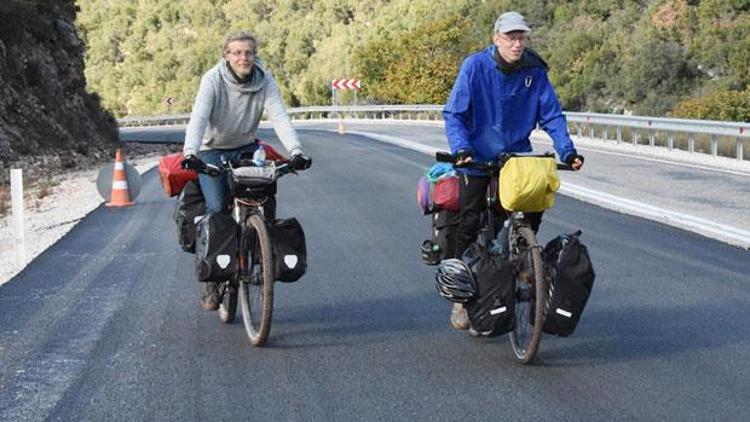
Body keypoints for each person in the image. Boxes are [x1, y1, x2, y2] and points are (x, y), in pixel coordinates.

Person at [443, 12, 584, 330]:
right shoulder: (475, 67)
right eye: (511, 38)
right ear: (496, 39)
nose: (517, 44)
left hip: (516, 156)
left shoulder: (534, 70)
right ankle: (461, 295)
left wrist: (568, 150)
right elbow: (455, 114)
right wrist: (461, 149)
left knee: (531, 207)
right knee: (468, 221)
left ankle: (524, 257)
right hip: (476, 156)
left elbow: (552, 115)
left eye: (521, 38)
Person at [182, 31, 312, 311]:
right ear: (226, 55)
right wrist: (190, 153)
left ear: (255, 55)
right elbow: (198, 118)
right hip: (211, 148)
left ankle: (261, 253)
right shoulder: (212, 80)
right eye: (237, 52)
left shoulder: (264, 80)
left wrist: (296, 151)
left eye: (248, 53)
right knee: (217, 209)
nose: (243, 57)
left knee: (265, 201)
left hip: (245, 147)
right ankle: (210, 279)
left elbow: (280, 117)